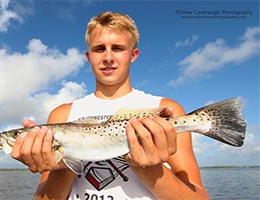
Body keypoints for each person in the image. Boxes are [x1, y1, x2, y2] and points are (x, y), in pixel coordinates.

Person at [11, 11, 209, 199]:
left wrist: (149, 168)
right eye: (99, 48)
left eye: (118, 48)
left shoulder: (164, 108)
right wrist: (64, 164)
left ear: (133, 55)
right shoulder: (62, 114)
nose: (107, 57)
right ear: (88, 56)